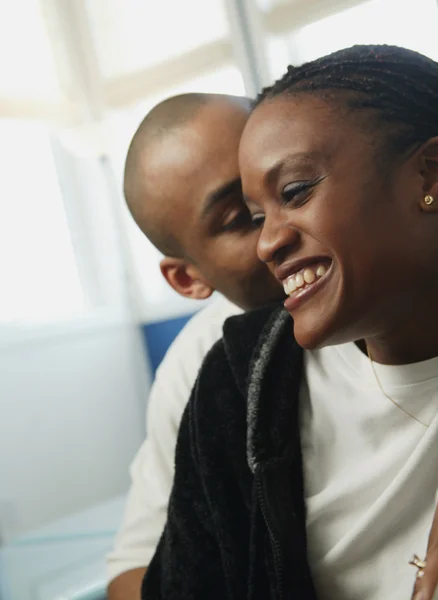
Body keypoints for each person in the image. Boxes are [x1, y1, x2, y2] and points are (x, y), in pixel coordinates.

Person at [141, 45, 438, 600]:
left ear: (433, 173)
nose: (267, 243)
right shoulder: (237, 382)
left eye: (295, 192)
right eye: (254, 218)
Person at [106, 93, 284, 600]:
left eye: (292, 186)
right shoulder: (204, 370)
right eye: (243, 217)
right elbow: (133, 569)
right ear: (188, 278)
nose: (283, 227)